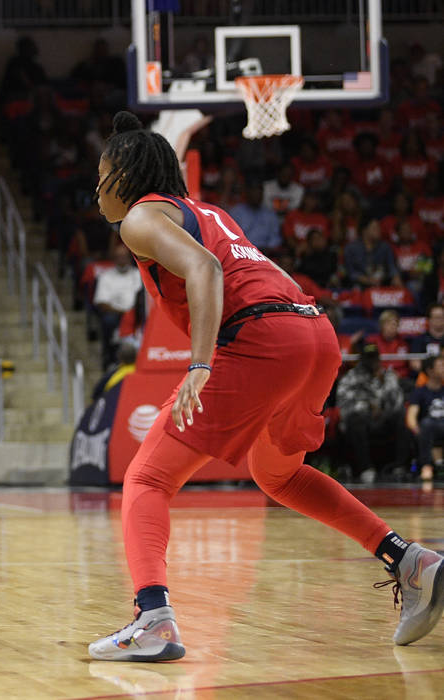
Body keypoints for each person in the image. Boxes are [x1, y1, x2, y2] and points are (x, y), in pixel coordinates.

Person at [86, 112, 444, 663]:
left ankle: (152, 619)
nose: (95, 186)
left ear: (126, 177)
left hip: (260, 339)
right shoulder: (207, 211)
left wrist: (200, 365)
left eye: (103, 172)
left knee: (147, 478)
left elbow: (203, 269)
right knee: (278, 474)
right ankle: (408, 559)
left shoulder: (139, 218)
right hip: (314, 335)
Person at [336, 343, 408, 483]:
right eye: (369, 359)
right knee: (355, 420)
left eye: (375, 358)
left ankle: (400, 467)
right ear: (362, 360)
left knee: (400, 416)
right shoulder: (352, 376)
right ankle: (366, 469)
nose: (372, 362)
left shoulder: (388, 375)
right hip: (362, 420)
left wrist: (383, 382)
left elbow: (397, 402)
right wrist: (368, 406)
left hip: (383, 419)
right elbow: (343, 403)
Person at [407, 354, 444, 485]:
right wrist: (417, 430)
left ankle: (439, 463)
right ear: (430, 370)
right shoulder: (420, 392)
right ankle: (426, 466)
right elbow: (411, 416)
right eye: (441, 366)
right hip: (429, 427)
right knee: (426, 424)